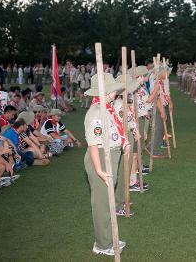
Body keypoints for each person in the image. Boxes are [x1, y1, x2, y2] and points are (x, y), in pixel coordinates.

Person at [83, 72, 128, 256]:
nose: (115, 93)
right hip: (101, 157)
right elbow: (93, 144)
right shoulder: (95, 113)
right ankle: (102, 244)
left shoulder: (107, 108)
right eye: (112, 91)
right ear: (104, 92)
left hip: (111, 154)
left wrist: (123, 141)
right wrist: (99, 170)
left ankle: (110, 237)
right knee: (102, 204)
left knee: (108, 201)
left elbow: (114, 131)